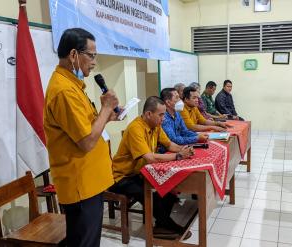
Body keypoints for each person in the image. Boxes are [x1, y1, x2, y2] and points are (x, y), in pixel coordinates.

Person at [43, 28, 120, 246]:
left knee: (84, 240)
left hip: (89, 180)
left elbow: (86, 127)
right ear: (74, 55)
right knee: (83, 242)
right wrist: (105, 108)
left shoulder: (73, 86)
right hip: (80, 184)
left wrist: (107, 117)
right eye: (92, 55)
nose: (95, 62)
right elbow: (86, 142)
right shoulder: (65, 91)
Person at [110, 96, 194, 240]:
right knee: (150, 195)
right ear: (149, 114)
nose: (164, 118)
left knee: (168, 191)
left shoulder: (156, 126)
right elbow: (150, 158)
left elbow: (169, 145)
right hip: (121, 177)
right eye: (161, 115)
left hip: (138, 173)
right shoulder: (136, 128)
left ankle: (161, 225)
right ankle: (166, 226)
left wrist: (183, 149)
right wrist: (178, 156)